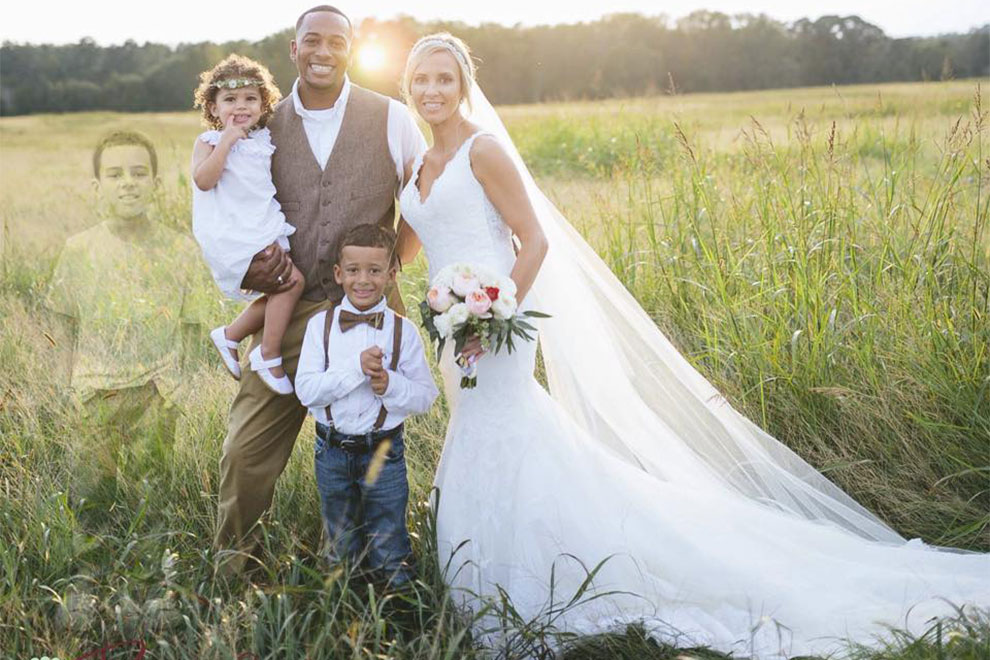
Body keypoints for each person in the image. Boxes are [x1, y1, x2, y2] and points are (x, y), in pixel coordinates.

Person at [395, 33, 990, 658]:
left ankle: (526, 579)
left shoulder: (482, 150)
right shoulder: (416, 164)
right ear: (407, 86)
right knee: (483, 435)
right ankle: (489, 578)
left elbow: (534, 240)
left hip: (499, 324)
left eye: (445, 79)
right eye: (421, 81)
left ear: (464, 85)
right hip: (450, 327)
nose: (432, 91)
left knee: (502, 433)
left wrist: (493, 316)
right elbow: (410, 245)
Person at [212, 5, 426, 573]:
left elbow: (423, 205)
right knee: (246, 451)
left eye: (336, 41)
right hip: (290, 311)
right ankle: (235, 572)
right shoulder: (261, 125)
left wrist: (390, 273)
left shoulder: (391, 117)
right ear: (293, 49)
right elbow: (226, 204)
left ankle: (376, 573)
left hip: (372, 315)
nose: (323, 51)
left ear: (350, 50)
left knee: (376, 449)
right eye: (313, 41)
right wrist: (245, 270)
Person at [47, 130, 212, 513]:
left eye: (139, 174)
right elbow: (63, 322)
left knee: (151, 500)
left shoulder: (181, 251)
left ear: (155, 184)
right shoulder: (79, 249)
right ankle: (89, 569)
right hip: (92, 395)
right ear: (97, 186)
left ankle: (154, 570)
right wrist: (65, 384)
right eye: (115, 175)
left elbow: (192, 326)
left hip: (156, 392)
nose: (128, 185)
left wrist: (179, 388)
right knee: (89, 501)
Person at [295, 223, 438, 587]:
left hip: (384, 451)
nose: (364, 280)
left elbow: (425, 395)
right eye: (354, 270)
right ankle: (343, 613)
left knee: (389, 539)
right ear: (339, 275)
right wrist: (355, 369)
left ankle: (400, 614)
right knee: (340, 540)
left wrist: (391, 385)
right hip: (331, 451)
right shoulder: (319, 327)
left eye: (375, 271)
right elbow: (307, 391)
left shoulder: (403, 331)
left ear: (391, 275)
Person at [192, 53, 304, 395]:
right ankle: (267, 354)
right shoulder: (209, 142)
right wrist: (226, 141)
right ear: (213, 108)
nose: (240, 107)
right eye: (229, 100)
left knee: (281, 287)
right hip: (236, 233)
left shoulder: (263, 139)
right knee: (291, 284)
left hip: (261, 225)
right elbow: (204, 180)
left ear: (263, 103)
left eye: (250, 98)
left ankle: (231, 335)